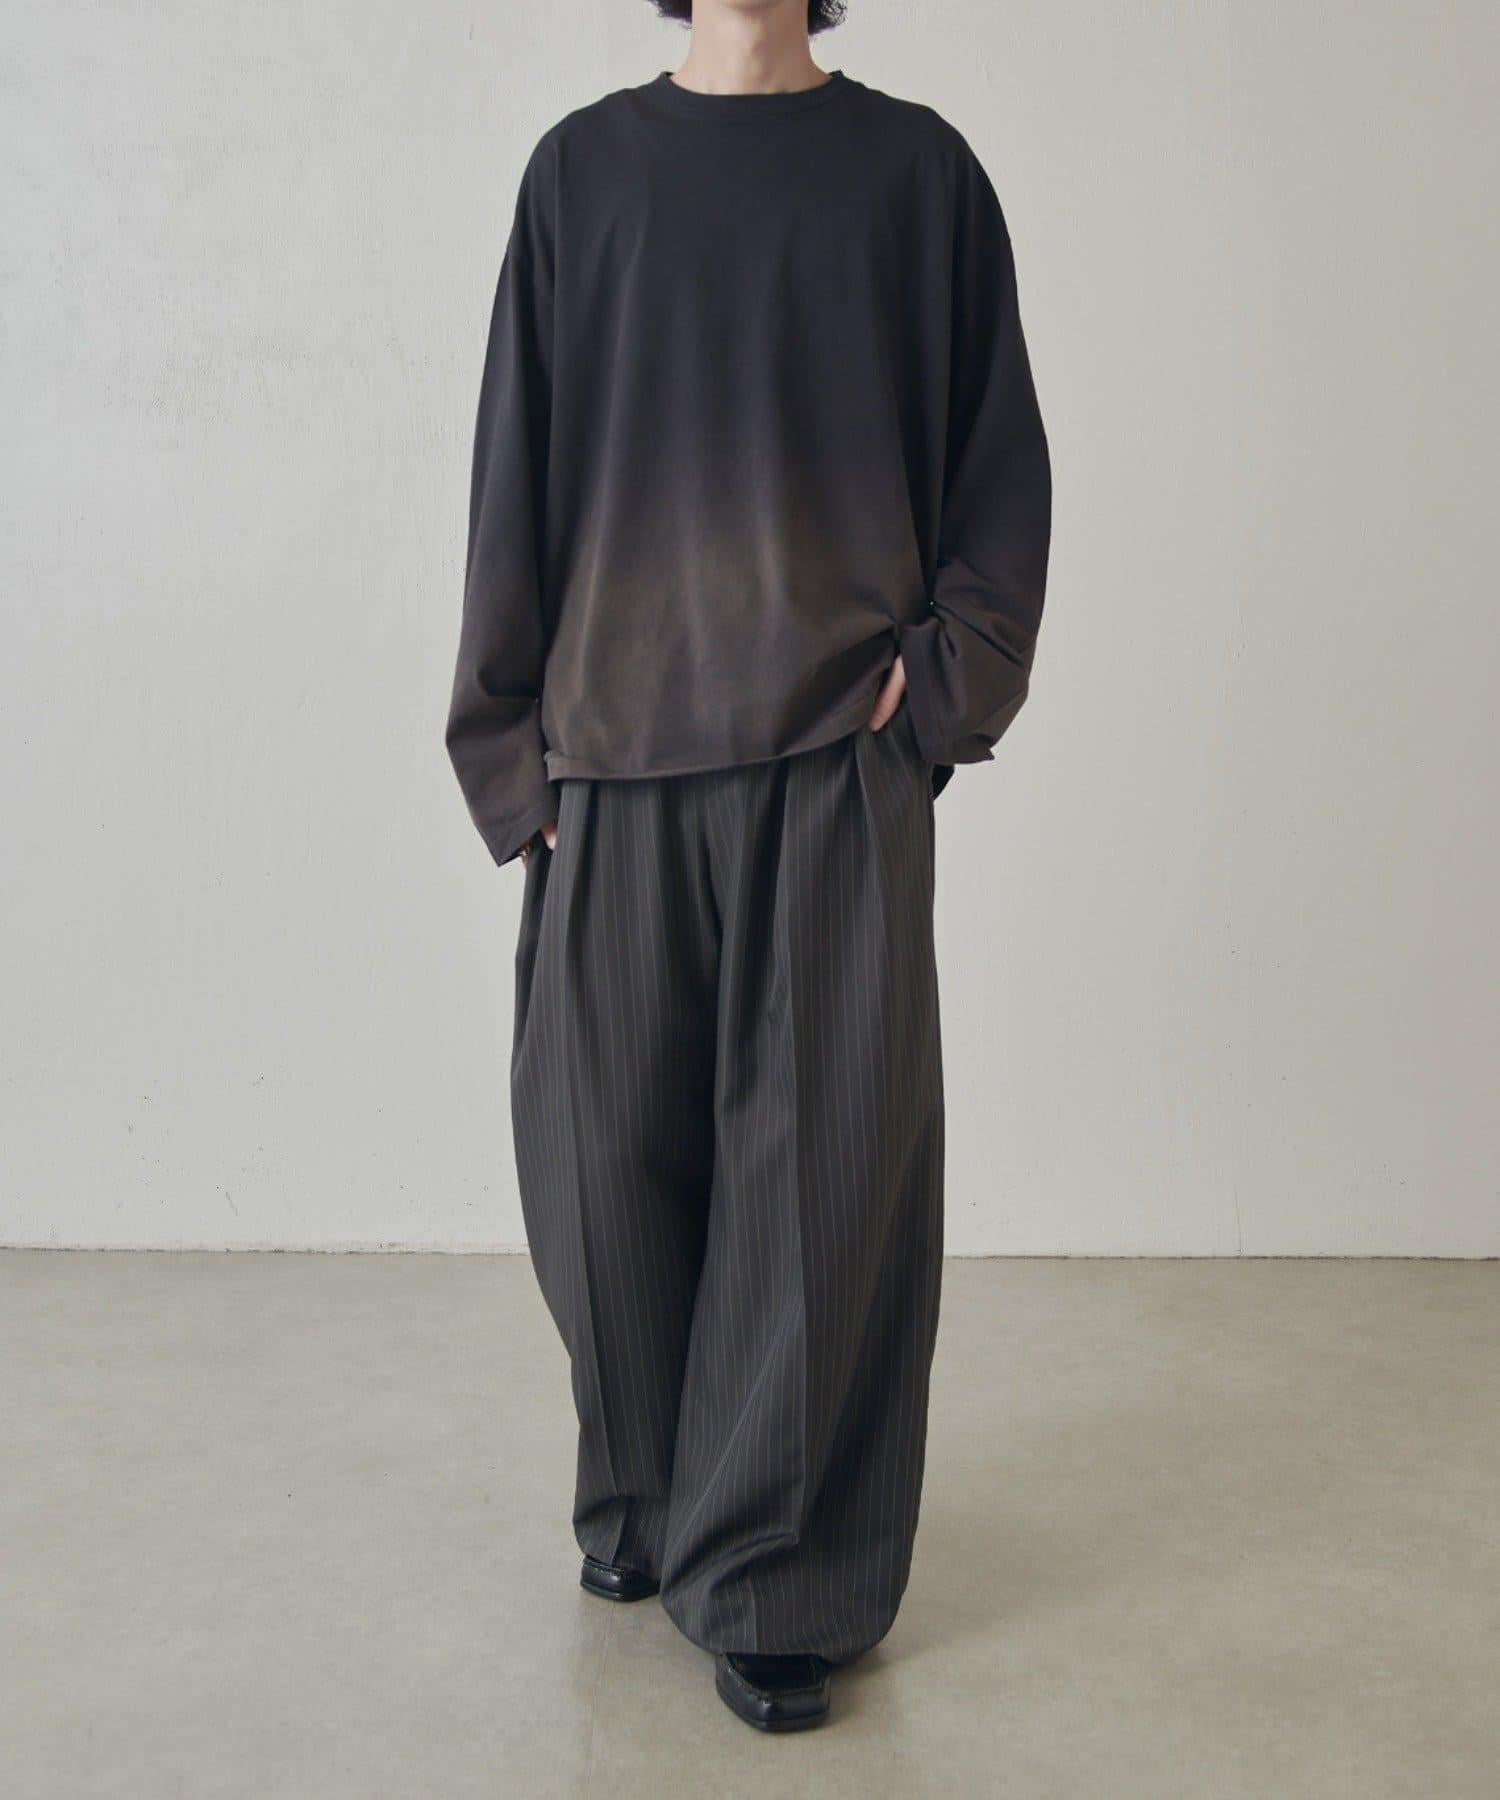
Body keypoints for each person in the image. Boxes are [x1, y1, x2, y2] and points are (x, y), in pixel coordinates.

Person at [446, 0, 1050, 1733]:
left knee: (818, 1187)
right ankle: (646, 1491)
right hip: (611, 757)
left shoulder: (918, 177)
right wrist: (506, 744)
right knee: (598, 1167)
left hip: (831, 754)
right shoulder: (582, 175)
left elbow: (998, 475)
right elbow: (516, 470)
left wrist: (942, 692)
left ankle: (778, 1574)